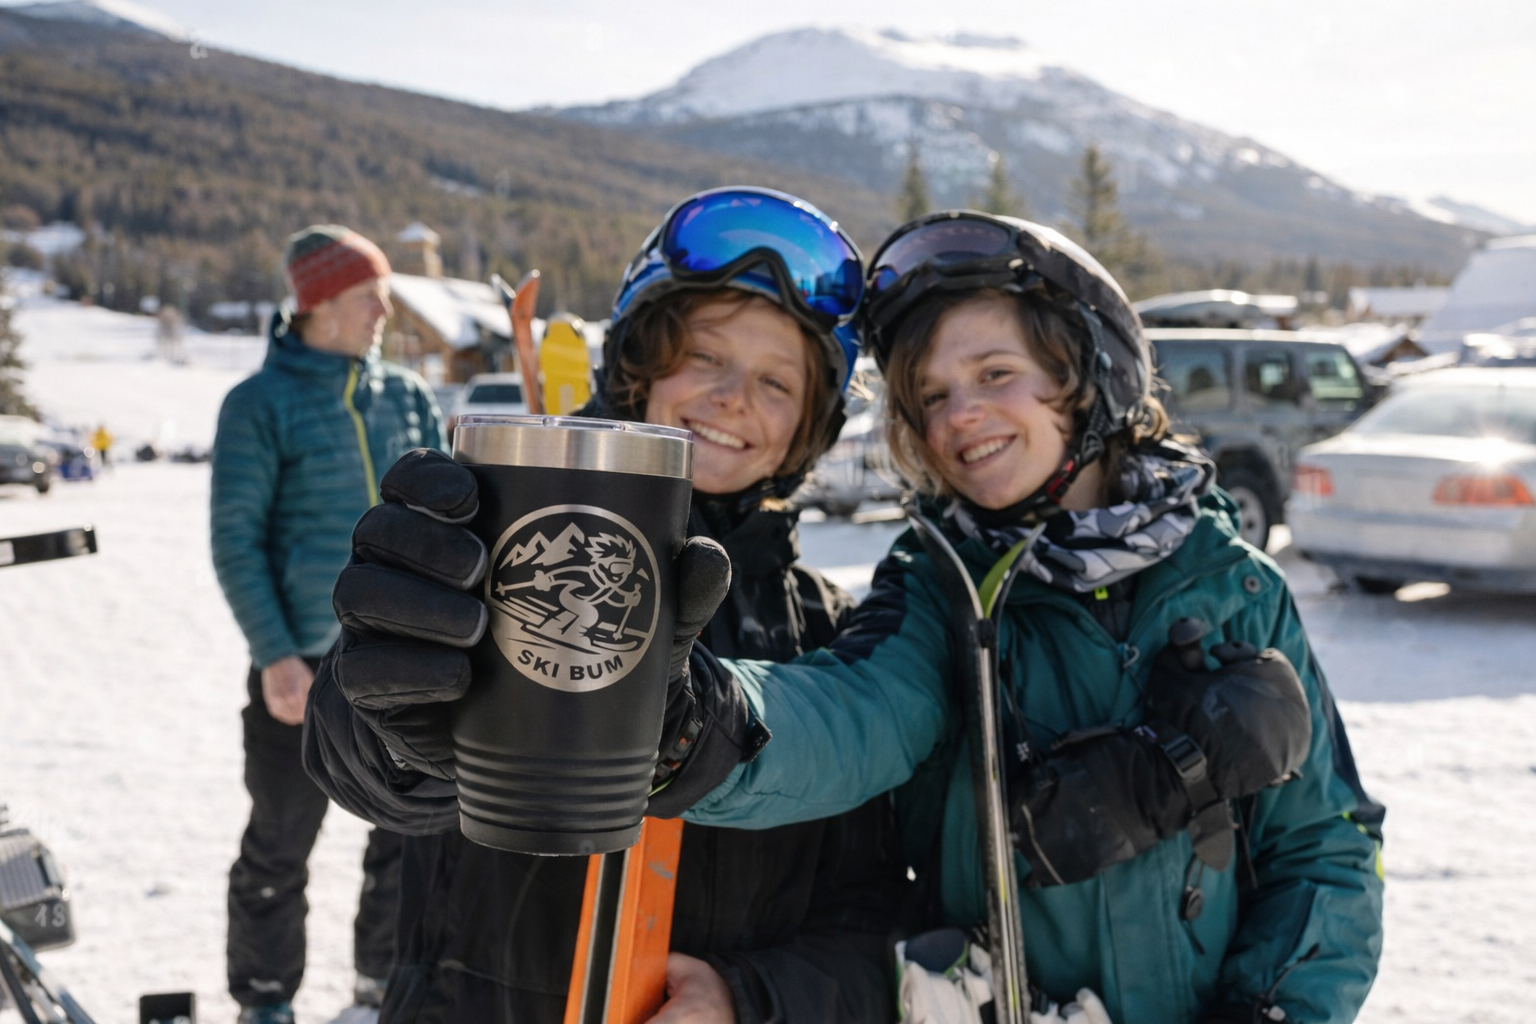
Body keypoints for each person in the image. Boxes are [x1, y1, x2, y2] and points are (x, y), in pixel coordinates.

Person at [308, 213, 1385, 1024]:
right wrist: (671, 720)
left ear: (1084, 378)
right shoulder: (932, 587)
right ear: (638, 363)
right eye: (929, 397)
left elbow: (1328, 846)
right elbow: (853, 717)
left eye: (995, 374)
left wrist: (752, 997)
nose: (961, 416)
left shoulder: (1228, 584)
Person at [304, 187, 907, 1023]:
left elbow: (871, 922)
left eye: (778, 382)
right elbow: (372, 775)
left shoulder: (827, 640)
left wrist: (749, 1000)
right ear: (641, 363)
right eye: (705, 357)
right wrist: (391, 717)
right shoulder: (506, 547)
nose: (734, 396)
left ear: (810, 424)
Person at [211, 224, 445, 1024]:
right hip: (304, 666)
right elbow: (235, 539)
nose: (384, 307)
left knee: (404, 838)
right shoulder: (258, 404)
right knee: (280, 844)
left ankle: (382, 983)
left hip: (408, 661)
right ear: (317, 303)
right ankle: (266, 998)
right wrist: (274, 653)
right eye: (365, 294)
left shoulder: (406, 395)